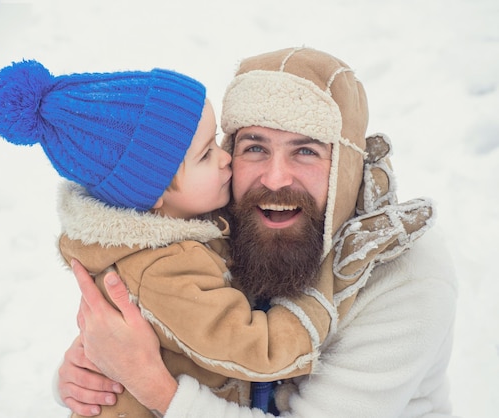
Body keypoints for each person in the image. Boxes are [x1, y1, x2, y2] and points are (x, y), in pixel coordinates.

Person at [57, 47, 458, 417]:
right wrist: (89, 374)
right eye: (254, 147)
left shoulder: (408, 278)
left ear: (345, 167)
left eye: (305, 151)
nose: (275, 177)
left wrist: (152, 385)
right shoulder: (214, 228)